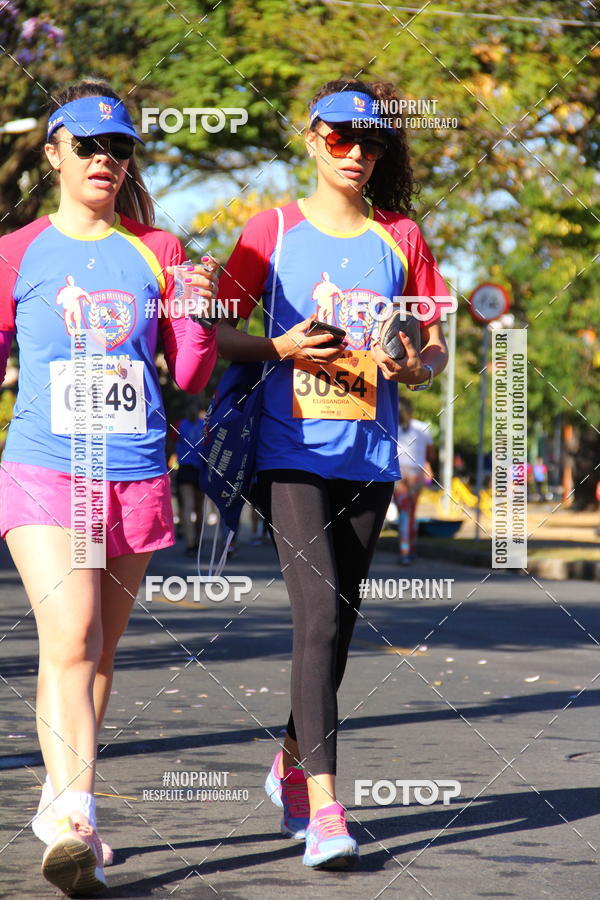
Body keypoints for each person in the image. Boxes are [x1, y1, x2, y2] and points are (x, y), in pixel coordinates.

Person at [216, 78, 449, 869]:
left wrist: (411, 361)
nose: (358, 153)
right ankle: (325, 811)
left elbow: (432, 349)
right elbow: (216, 337)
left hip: (370, 456)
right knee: (314, 618)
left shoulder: (402, 237)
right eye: (342, 138)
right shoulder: (270, 230)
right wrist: (280, 348)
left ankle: (289, 755)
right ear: (312, 138)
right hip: (290, 451)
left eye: (373, 141)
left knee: (340, 629)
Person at [0, 79, 217, 896]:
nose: (103, 159)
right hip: (44, 467)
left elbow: (188, 372)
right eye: (86, 145)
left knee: (98, 653)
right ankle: (81, 816)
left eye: (118, 147)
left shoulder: (157, 251)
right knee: (72, 634)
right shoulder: (16, 253)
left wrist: (193, 310)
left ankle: (58, 804)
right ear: (52, 152)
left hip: (132, 473)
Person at [394, 396, 435, 564]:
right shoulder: (422, 427)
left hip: (397, 473)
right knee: (412, 512)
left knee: (404, 512)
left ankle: (405, 551)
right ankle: (410, 548)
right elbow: (431, 454)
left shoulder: (390, 427)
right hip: (416, 473)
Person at [174, 401, 206, 555]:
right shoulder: (205, 425)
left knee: (187, 505)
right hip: (200, 467)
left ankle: (190, 541)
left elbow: (172, 445)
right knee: (199, 507)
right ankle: (197, 539)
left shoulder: (180, 424)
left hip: (185, 467)